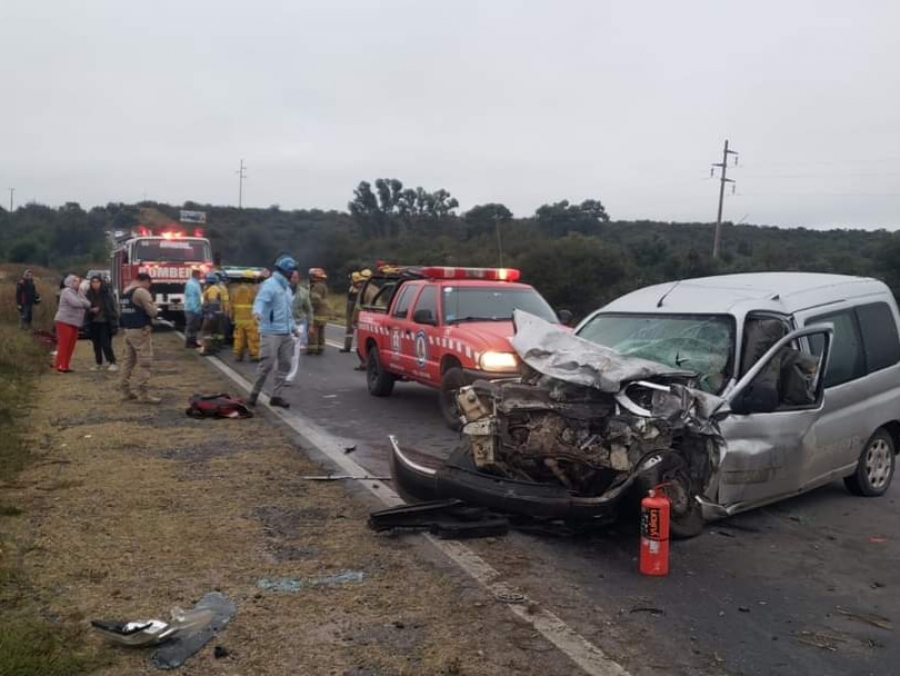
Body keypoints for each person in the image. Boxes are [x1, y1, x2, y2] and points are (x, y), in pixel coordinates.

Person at [248, 255, 299, 408]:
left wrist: (294, 328)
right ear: (287, 271)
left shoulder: (287, 289)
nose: (294, 274)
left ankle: (276, 396)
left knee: (285, 365)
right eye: (292, 271)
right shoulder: (270, 285)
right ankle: (253, 395)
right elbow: (260, 300)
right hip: (271, 332)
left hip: (286, 333)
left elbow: (287, 312)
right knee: (266, 365)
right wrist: (257, 312)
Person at [119, 272, 160, 403]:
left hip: (128, 330)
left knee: (128, 362)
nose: (149, 287)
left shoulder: (125, 291)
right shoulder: (141, 292)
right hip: (140, 331)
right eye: (149, 284)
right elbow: (152, 312)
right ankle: (143, 394)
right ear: (146, 281)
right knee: (145, 362)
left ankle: (125, 391)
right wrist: (155, 306)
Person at [53, 274, 91, 373]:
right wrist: (82, 302)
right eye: (76, 281)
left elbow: (88, 303)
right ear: (70, 282)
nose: (78, 283)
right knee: (64, 344)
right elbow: (75, 303)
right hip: (64, 321)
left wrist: (82, 300)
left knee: (71, 345)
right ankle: (59, 365)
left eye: (78, 281)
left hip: (75, 322)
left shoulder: (78, 292)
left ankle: (65, 365)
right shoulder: (67, 291)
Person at [86, 274, 119, 371]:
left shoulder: (107, 294)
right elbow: (85, 307)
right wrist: (91, 310)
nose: (95, 284)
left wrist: (115, 318)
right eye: (93, 282)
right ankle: (98, 362)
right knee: (96, 344)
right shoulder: (89, 294)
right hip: (93, 321)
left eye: (97, 282)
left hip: (105, 321)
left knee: (106, 343)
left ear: (101, 283)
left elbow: (113, 307)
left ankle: (112, 361)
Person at [231, 272, 260, 361]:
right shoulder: (253, 290)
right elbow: (257, 303)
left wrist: (232, 316)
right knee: (253, 337)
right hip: (250, 318)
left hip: (239, 319)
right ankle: (254, 354)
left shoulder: (235, 290)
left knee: (239, 338)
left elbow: (232, 304)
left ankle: (238, 354)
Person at [199, 272, 225, 356]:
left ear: (208, 281)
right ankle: (214, 347)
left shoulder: (212, 289)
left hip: (212, 314)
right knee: (215, 332)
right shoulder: (215, 288)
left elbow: (213, 303)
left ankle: (207, 349)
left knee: (206, 331)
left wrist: (210, 314)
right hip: (217, 313)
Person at [290, 269, 314, 354]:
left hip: (298, 324)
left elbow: (309, 309)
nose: (293, 279)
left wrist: (311, 324)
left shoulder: (303, 292)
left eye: (295, 277)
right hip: (283, 326)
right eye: (291, 277)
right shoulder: (281, 290)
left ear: (298, 279)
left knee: (295, 353)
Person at [340, 271, 365, 352]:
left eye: (351, 279)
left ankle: (360, 348)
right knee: (349, 329)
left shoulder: (360, 289)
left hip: (356, 312)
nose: (350, 280)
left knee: (360, 330)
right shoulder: (352, 287)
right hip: (350, 311)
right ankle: (347, 347)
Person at [307, 267, 330, 356]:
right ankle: (320, 349)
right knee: (321, 331)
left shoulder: (317, 286)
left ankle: (312, 350)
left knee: (313, 331)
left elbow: (315, 300)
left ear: (315, 277)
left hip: (317, 312)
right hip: (323, 312)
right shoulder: (323, 285)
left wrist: (310, 307)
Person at [183, 268, 203, 348]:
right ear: (196, 274)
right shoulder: (191, 284)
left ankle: (193, 342)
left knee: (194, 327)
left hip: (195, 309)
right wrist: (195, 309)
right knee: (191, 327)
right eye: (200, 274)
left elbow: (197, 296)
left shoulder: (195, 283)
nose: (201, 276)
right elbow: (191, 298)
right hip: (191, 309)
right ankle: (189, 343)